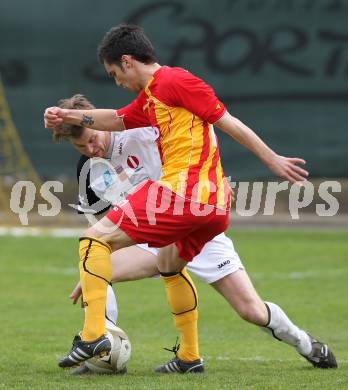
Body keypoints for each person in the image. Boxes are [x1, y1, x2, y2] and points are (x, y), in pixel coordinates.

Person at [44, 24, 314, 374]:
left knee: (94, 241)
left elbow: (228, 122)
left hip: (183, 197)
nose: (117, 82)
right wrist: (67, 115)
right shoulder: (150, 101)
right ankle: (189, 358)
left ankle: (94, 336)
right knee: (166, 265)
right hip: (204, 207)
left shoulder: (176, 82)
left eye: (114, 74)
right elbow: (116, 117)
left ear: (127, 61)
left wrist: (271, 158)